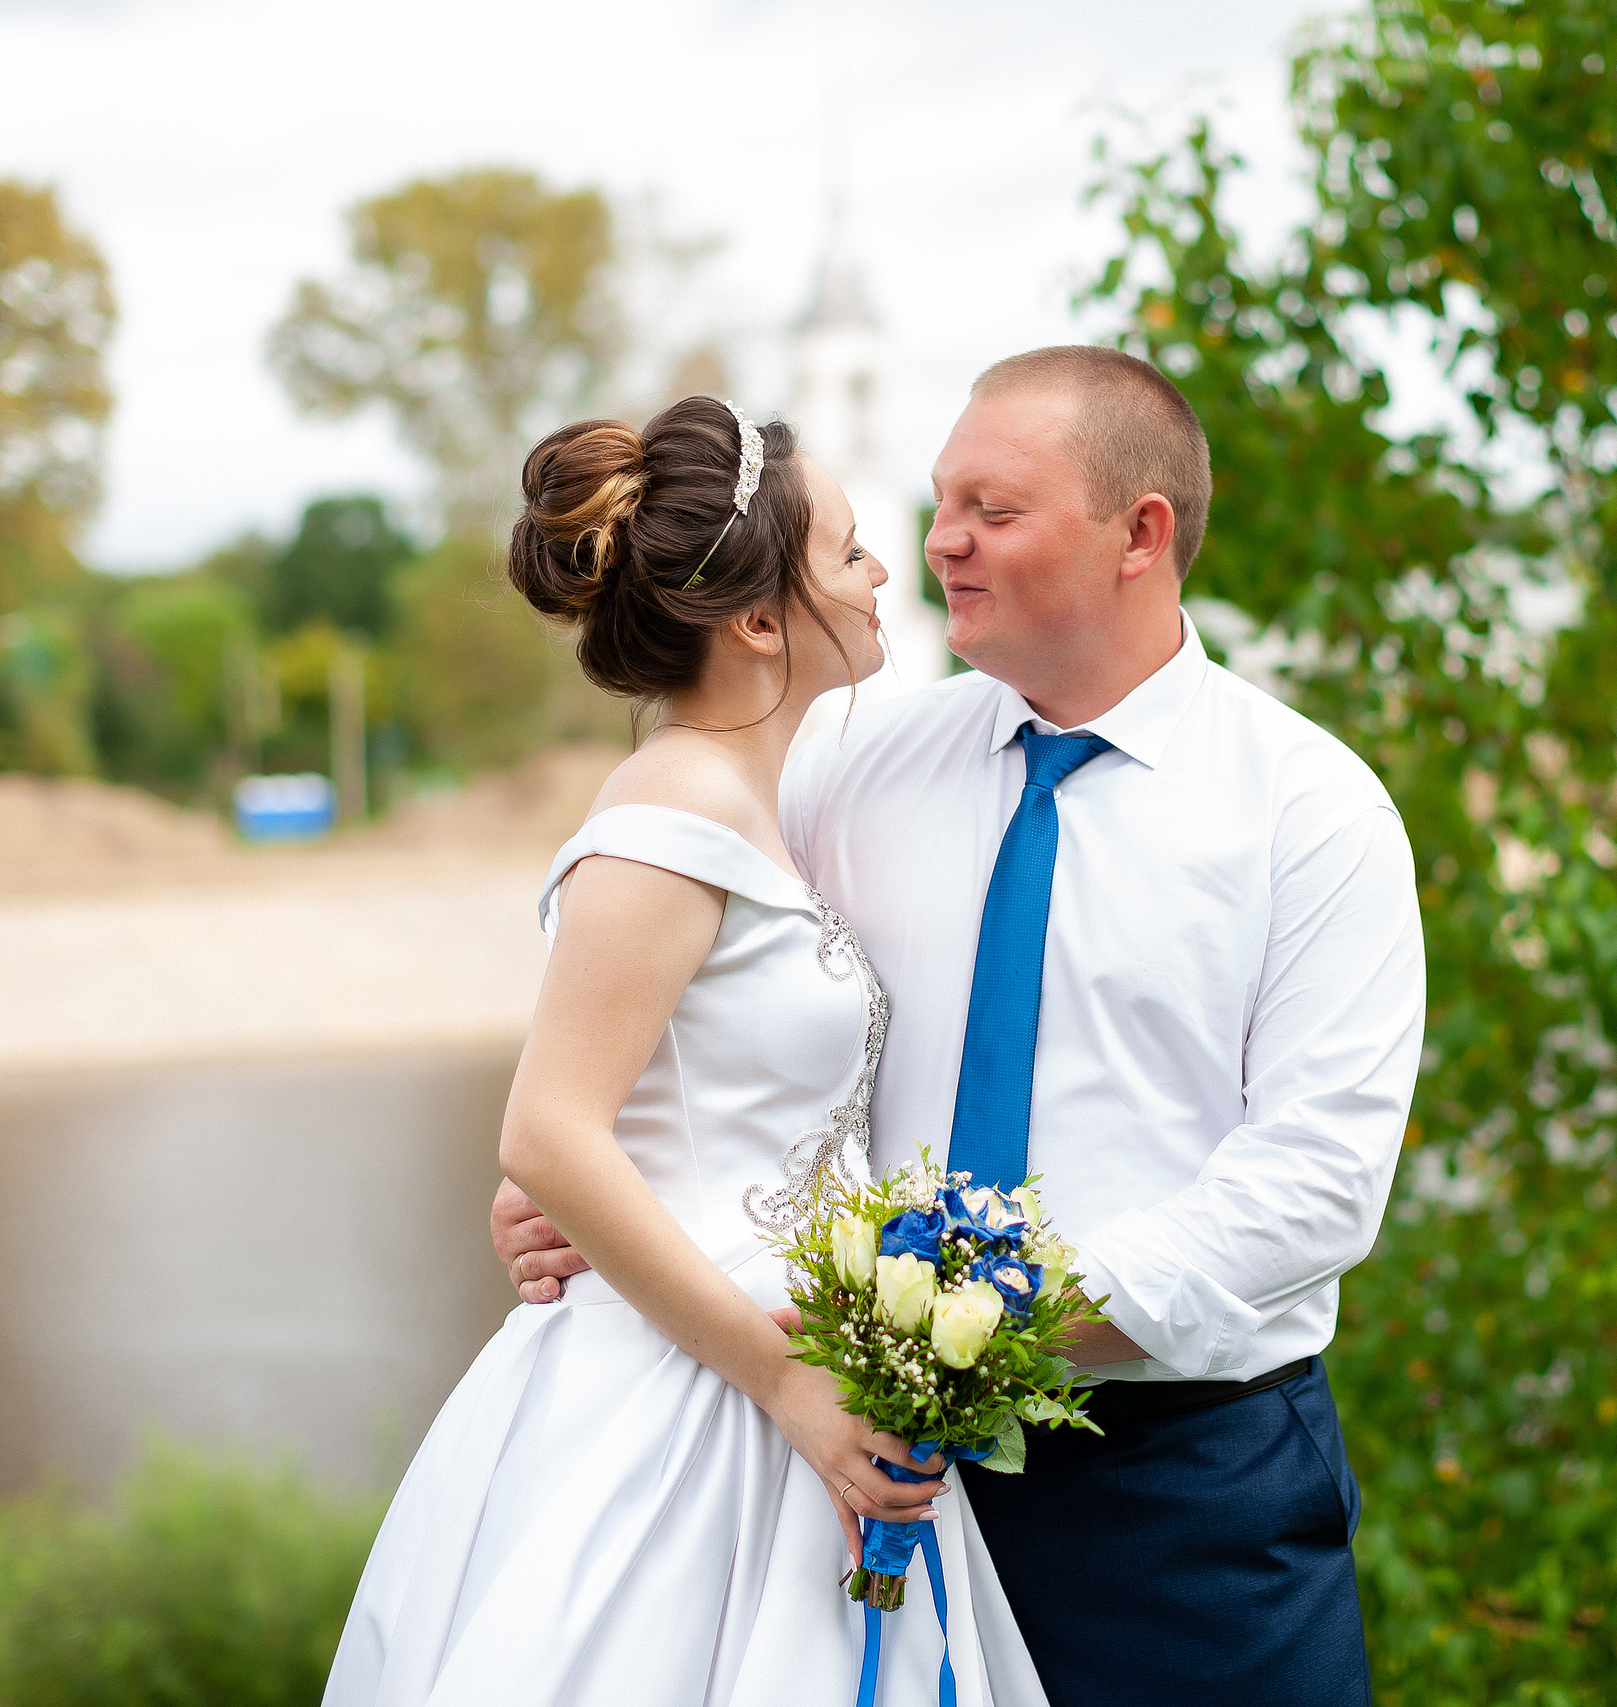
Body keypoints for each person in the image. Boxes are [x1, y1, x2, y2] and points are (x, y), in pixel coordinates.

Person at [497, 347, 1427, 1706]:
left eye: (992, 509)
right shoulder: (846, 767)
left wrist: (972, 1329)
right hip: (861, 1486)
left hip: (1184, 1494)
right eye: (936, 504)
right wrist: (566, 1187)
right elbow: (680, 1005)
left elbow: (1315, 1191)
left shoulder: (1312, 812)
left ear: (1140, 535)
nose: (941, 544)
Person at [325, 396, 1047, 1707]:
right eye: (846, 553)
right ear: (761, 620)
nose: (884, 572)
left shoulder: (758, 803)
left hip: (788, 1363)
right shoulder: (669, 812)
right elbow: (549, 1130)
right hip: (698, 1395)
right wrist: (788, 1385)